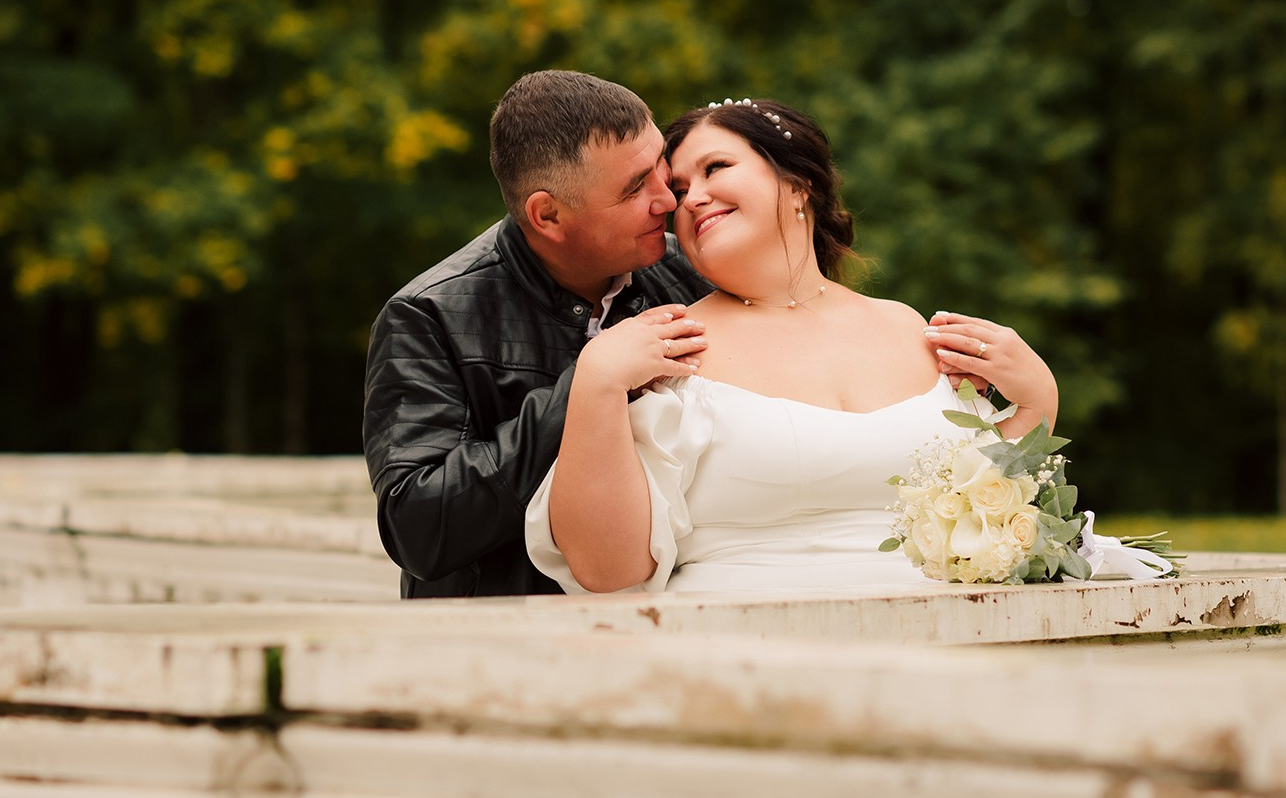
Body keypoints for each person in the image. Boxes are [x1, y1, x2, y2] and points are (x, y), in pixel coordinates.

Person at [526, 97, 1060, 594]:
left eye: (715, 169)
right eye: (682, 191)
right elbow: (607, 570)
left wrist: (1037, 403)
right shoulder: (671, 346)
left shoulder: (908, 328)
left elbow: (990, 515)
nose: (693, 200)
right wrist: (596, 379)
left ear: (798, 183)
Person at [363, 70, 713, 598]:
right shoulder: (428, 316)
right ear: (547, 214)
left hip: (677, 630)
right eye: (636, 187)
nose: (669, 200)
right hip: (510, 651)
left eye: (660, 166)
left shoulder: (694, 274)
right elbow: (420, 529)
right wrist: (588, 386)